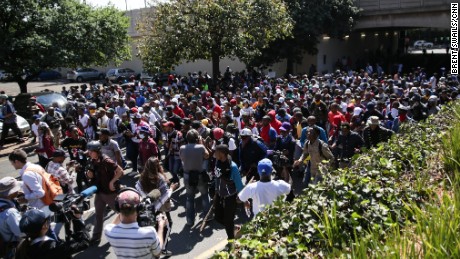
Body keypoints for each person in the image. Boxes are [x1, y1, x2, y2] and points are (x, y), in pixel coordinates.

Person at [104, 189, 166, 259]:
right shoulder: (149, 232)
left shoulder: (108, 230)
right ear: (139, 208)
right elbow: (158, 253)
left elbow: (114, 223)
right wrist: (161, 227)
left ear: (118, 208)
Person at [135, 157, 178, 256]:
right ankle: (162, 248)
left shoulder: (142, 177)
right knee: (168, 225)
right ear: (157, 166)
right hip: (159, 208)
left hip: (147, 207)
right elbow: (165, 196)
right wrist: (171, 188)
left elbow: (138, 188)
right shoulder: (160, 178)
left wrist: (146, 198)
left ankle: (154, 247)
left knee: (152, 227)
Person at [85, 141, 124, 245]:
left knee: (122, 213)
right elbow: (92, 176)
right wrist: (89, 175)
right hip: (100, 192)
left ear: (97, 151)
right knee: (98, 215)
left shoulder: (107, 160)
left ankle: (126, 232)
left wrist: (112, 181)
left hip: (110, 193)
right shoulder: (93, 160)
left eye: (91, 151)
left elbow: (120, 171)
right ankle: (96, 237)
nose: (89, 153)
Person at [15, 208, 89, 259]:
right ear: (44, 226)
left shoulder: (22, 247)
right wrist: (77, 218)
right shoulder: (52, 247)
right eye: (46, 219)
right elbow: (84, 243)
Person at [179, 129, 210, 226]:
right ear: (197, 138)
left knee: (189, 198)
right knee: (204, 195)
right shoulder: (200, 147)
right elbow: (207, 156)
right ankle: (206, 217)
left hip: (187, 175)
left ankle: (189, 220)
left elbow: (182, 158)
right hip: (200, 175)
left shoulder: (182, 148)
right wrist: (201, 143)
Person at [213, 144, 243, 241]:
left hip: (231, 197)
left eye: (216, 152)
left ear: (222, 154)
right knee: (217, 216)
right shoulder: (218, 161)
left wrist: (243, 198)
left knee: (228, 220)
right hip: (219, 194)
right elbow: (217, 177)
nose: (214, 153)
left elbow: (239, 184)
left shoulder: (233, 167)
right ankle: (234, 228)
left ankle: (231, 241)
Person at [0, 177, 23, 258]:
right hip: (13, 249)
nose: (18, 191)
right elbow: (21, 233)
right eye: (15, 189)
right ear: (9, 193)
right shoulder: (10, 213)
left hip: (3, 246)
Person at [61, 125, 89, 193]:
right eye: (74, 132)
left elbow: (88, 150)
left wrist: (84, 152)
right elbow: (59, 145)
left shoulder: (82, 140)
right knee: (82, 174)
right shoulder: (68, 140)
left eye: (77, 131)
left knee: (78, 179)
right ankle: (89, 185)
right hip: (74, 162)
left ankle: (79, 193)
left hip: (82, 161)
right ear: (71, 133)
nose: (76, 133)